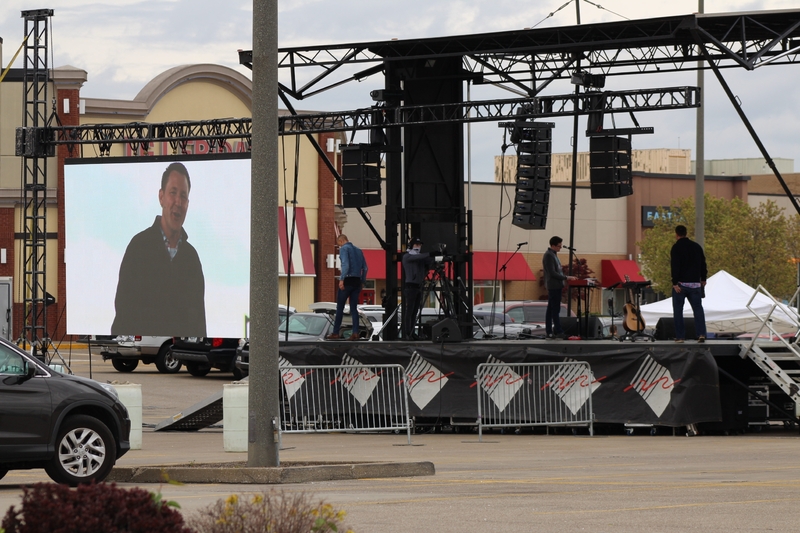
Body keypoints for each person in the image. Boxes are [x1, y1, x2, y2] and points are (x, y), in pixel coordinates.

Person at [111, 162, 206, 337]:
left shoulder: (191, 258)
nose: (178, 201)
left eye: (183, 196)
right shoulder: (139, 247)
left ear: (188, 203)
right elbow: (123, 309)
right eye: (173, 193)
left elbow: (199, 321)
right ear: (161, 197)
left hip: (179, 354)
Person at [326, 234, 368, 341]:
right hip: (357, 281)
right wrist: (362, 280)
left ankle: (335, 332)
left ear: (341, 241)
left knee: (340, 307)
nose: (339, 246)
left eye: (339, 244)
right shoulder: (358, 250)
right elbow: (365, 268)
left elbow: (346, 264)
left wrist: (342, 279)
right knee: (354, 309)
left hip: (347, 280)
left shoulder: (344, 249)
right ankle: (355, 333)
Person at [671, 224, 708, 343]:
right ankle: (701, 333)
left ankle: (680, 336)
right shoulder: (696, 247)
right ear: (686, 233)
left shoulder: (676, 248)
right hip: (695, 285)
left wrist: (675, 282)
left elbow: (675, 266)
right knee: (698, 309)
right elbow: (703, 264)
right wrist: (703, 278)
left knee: (678, 310)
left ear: (676, 234)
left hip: (681, 285)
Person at [542, 236, 575, 339]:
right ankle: (558, 331)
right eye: (559, 246)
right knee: (555, 310)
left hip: (557, 285)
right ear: (553, 245)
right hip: (553, 286)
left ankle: (550, 331)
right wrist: (566, 277)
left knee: (551, 310)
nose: (560, 248)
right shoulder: (549, 255)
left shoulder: (553, 255)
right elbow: (552, 273)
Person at [401, 237, 433, 339]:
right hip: (410, 286)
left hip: (418, 286)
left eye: (419, 245)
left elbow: (426, 261)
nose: (418, 247)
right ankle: (407, 332)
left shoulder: (420, 258)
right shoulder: (407, 257)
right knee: (409, 311)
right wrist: (430, 254)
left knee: (415, 311)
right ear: (411, 245)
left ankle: (412, 332)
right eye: (416, 245)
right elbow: (417, 258)